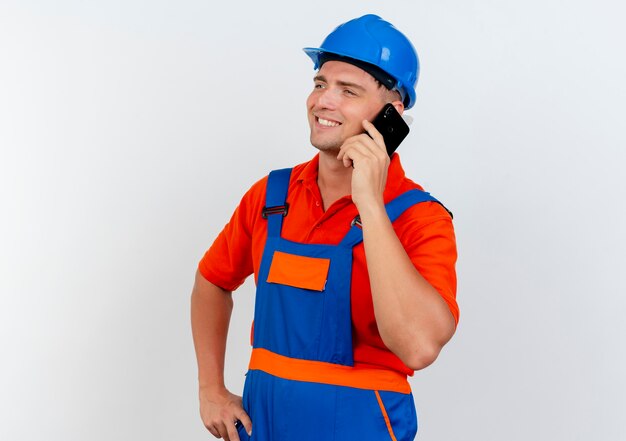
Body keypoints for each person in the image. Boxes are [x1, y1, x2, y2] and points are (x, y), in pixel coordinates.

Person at [190, 14, 459, 441]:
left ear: (392, 114)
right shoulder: (271, 197)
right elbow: (211, 281)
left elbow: (419, 346)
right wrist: (210, 389)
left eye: (347, 91)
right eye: (320, 84)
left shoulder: (417, 217)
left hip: (361, 426)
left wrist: (369, 201)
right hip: (265, 422)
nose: (323, 101)